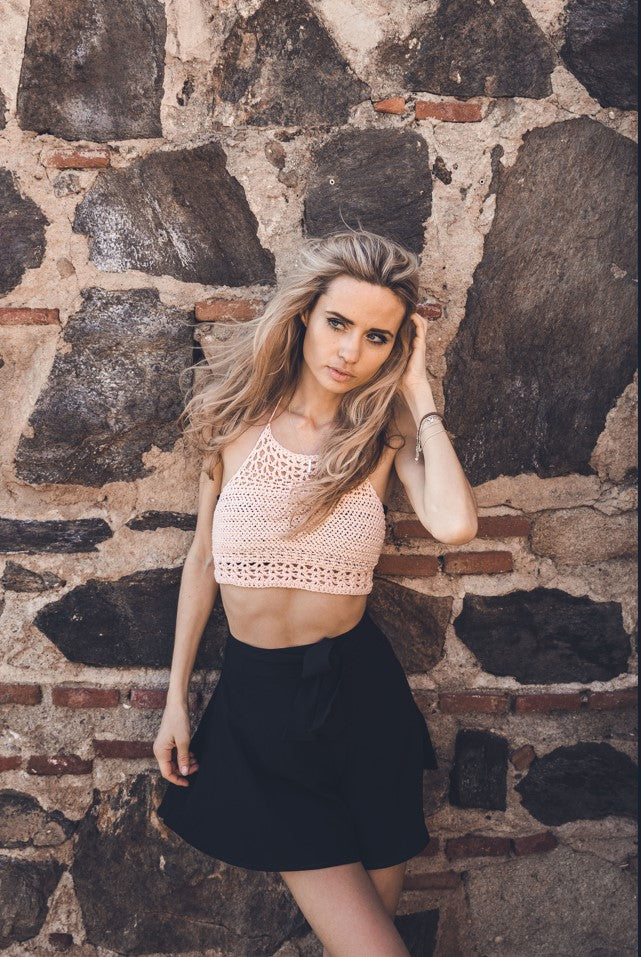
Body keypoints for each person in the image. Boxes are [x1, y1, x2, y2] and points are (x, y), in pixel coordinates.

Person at [153, 228, 478, 957]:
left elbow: (454, 524)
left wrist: (419, 392)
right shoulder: (233, 419)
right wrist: (176, 697)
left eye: (375, 337)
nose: (348, 351)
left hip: (364, 704)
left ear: (394, 348)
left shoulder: (380, 432)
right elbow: (202, 558)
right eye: (337, 323)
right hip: (261, 709)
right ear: (304, 315)